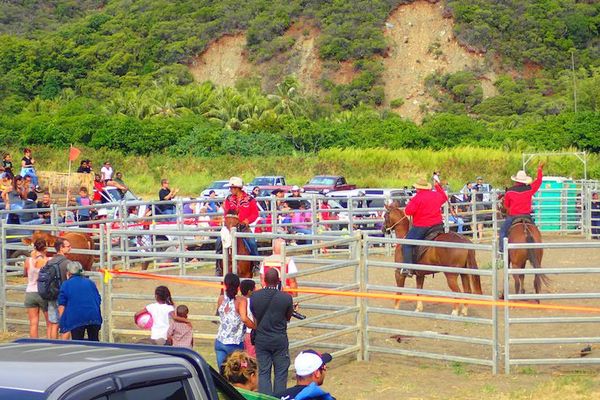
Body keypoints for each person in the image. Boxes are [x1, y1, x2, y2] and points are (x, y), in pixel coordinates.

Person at [250, 268, 294, 395]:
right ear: (278, 281)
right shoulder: (286, 298)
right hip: (279, 338)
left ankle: (265, 398)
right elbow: (288, 317)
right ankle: (279, 397)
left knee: (264, 372)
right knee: (281, 373)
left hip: (262, 339)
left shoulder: (255, 296)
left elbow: (255, 314)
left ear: (264, 280)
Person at [402, 177, 448, 276]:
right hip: (438, 225)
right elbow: (444, 198)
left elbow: (408, 211)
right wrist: (437, 186)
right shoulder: (436, 195)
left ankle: (407, 268)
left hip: (422, 226)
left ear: (418, 188)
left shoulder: (417, 198)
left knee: (406, 243)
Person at [499, 163, 544, 253]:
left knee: (503, 232)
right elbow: (539, 181)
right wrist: (539, 169)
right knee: (536, 231)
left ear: (515, 180)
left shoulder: (509, 192)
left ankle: (502, 251)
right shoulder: (530, 189)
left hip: (513, 217)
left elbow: (506, 206)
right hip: (527, 216)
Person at [216, 273, 256, 369]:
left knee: (222, 373)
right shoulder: (241, 301)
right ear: (238, 286)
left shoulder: (221, 299)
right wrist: (255, 327)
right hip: (235, 342)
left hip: (220, 340)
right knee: (236, 373)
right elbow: (244, 318)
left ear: (225, 284)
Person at [58, 261, 102, 341]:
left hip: (76, 318)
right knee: (94, 342)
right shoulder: (90, 282)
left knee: (77, 342)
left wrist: (61, 322)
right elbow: (98, 299)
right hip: (93, 316)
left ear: (68, 273)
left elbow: (62, 304)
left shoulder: (66, 284)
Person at [222, 176, 259, 256]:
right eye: (230, 188)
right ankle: (219, 264)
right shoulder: (228, 199)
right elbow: (226, 213)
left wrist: (247, 221)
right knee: (219, 242)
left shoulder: (249, 199)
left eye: (232, 188)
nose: (230, 190)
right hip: (230, 227)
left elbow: (255, 213)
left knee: (252, 242)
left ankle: (256, 262)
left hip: (243, 227)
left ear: (238, 188)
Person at [46, 237, 72, 339]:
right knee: (66, 322)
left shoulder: (49, 262)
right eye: (68, 246)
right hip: (64, 296)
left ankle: (54, 345)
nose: (70, 248)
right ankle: (64, 345)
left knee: (54, 323)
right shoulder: (67, 263)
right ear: (61, 248)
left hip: (51, 294)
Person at [24, 238, 50, 338]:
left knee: (33, 323)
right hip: (43, 292)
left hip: (30, 292)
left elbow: (25, 274)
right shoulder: (47, 261)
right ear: (45, 248)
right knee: (49, 323)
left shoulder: (28, 260)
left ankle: (33, 343)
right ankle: (49, 344)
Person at [240, 279, 257, 357]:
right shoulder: (252, 301)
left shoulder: (239, 300)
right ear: (250, 291)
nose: (256, 290)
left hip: (242, 334)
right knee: (252, 357)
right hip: (250, 332)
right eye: (254, 288)